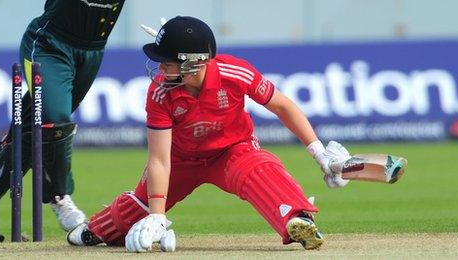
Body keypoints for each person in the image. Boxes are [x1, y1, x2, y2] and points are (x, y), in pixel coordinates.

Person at [65, 16, 352, 252]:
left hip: (232, 150)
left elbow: (283, 107)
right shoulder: (160, 93)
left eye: (167, 61)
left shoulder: (234, 72)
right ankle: (95, 228)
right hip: (181, 159)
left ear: (193, 62)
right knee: (133, 217)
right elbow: (159, 160)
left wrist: (319, 152)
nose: (160, 67)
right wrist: (156, 214)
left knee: (259, 168)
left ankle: (297, 219)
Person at [0, 0, 126, 240]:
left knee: (35, 130)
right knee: (55, 121)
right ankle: (58, 195)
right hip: (49, 44)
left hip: (92, 51)